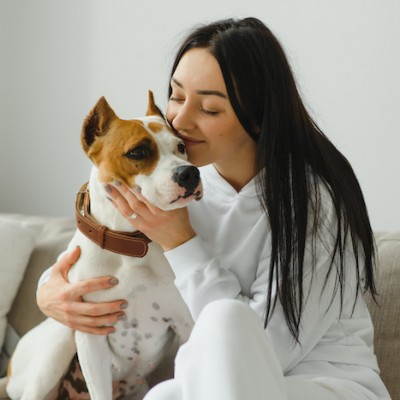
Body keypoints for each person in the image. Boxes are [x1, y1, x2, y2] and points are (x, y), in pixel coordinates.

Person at [37, 17, 391, 400]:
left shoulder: (312, 203)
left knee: (224, 320)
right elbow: (93, 258)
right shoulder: (177, 189)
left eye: (209, 108)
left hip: (321, 386)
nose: (180, 121)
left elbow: (263, 351)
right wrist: (50, 295)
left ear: (257, 116)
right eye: (176, 95)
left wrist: (181, 242)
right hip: (214, 386)